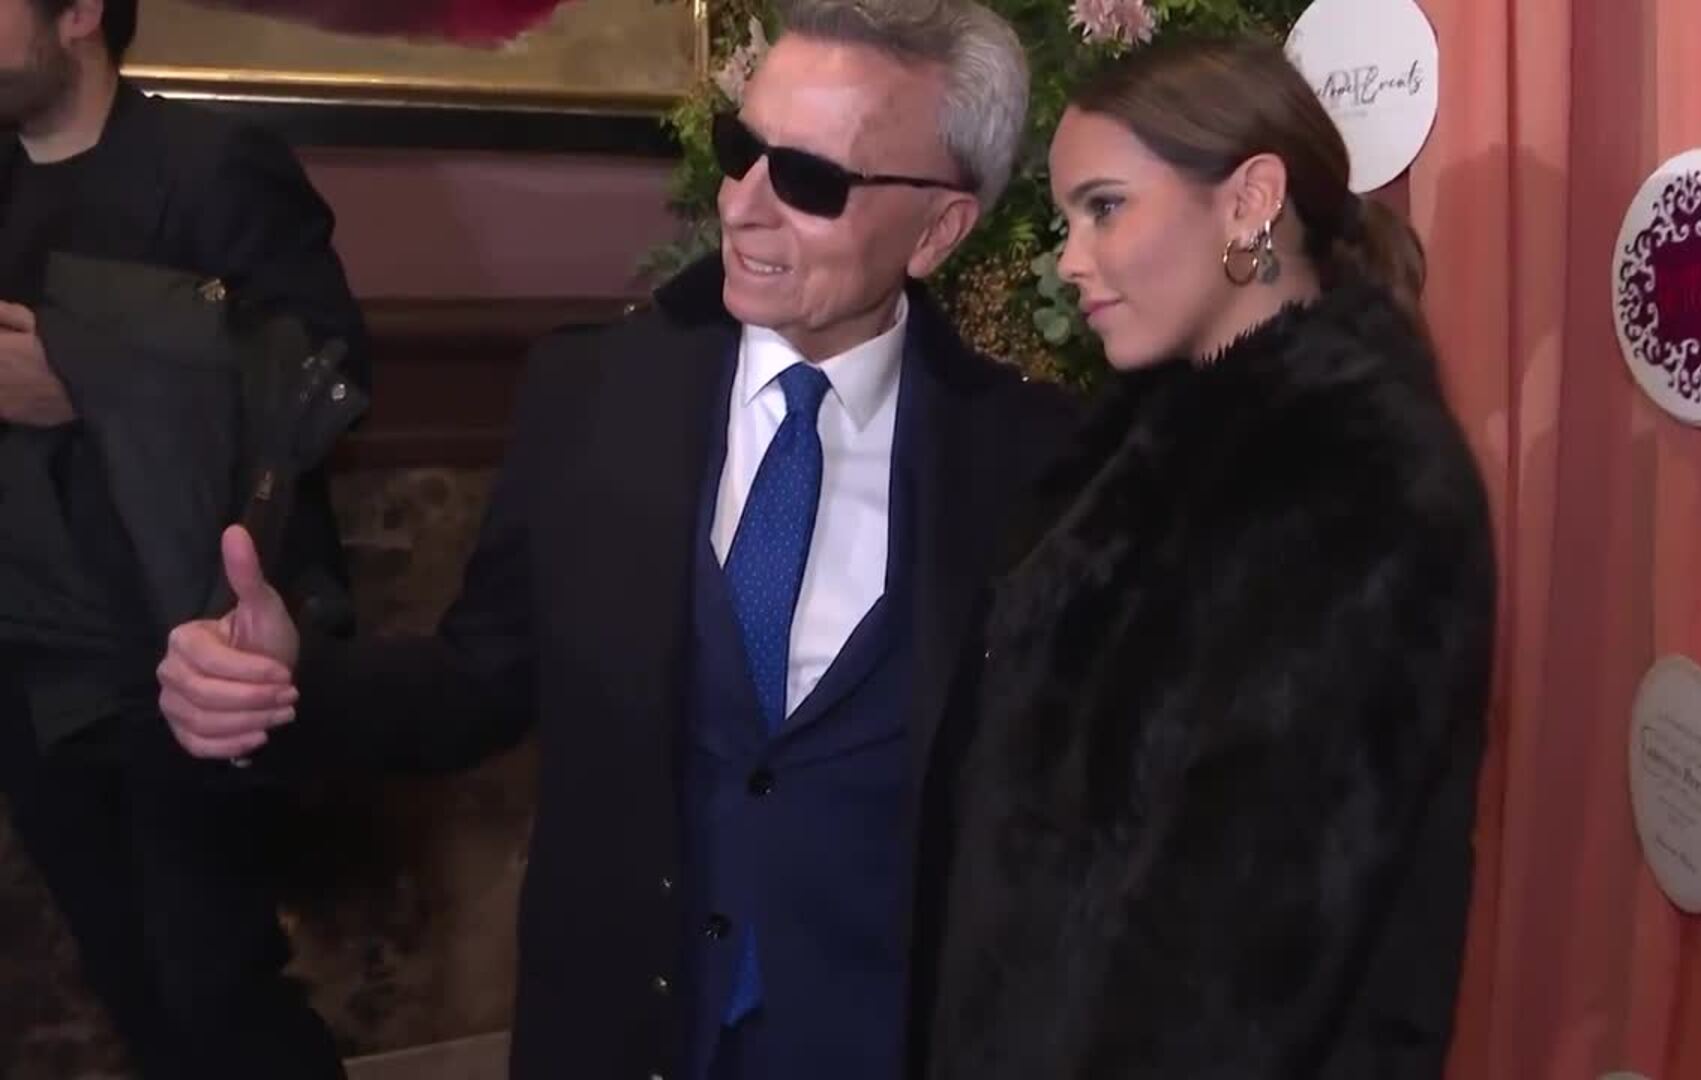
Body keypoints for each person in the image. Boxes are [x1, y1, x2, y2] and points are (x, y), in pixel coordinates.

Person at [155, 1, 1072, 1077]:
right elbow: (477, 680)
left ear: (939, 230)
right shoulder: (593, 394)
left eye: (809, 180)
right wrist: (287, 684)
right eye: (739, 150)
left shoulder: (1037, 462)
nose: (743, 205)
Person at [926, 35, 1496, 1079]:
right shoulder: (1139, 454)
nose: (1070, 260)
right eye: (1066, 219)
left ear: (1250, 202)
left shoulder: (1356, 482)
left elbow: (1254, 945)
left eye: (1105, 208)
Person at [0, 0, 368, 1076]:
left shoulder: (212, 165)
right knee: (129, 983)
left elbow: (324, 373)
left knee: (216, 989)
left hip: (187, 648)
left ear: (78, 14)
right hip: (31, 656)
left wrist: (86, 373)